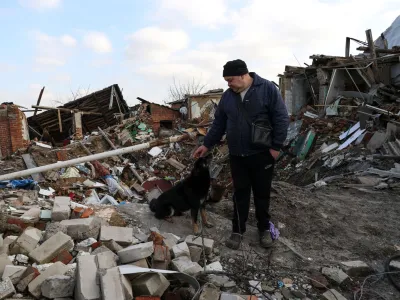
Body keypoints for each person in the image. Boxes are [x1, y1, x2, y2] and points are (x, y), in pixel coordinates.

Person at [193, 59, 289, 249]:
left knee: (262, 194)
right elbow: (219, 123)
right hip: (237, 155)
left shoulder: (267, 89)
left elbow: (281, 118)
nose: (228, 84)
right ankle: (237, 231)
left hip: (262, 153)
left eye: (230, 79)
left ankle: (263, 230)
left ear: (243, 75)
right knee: (240, 194)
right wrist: (207, 144)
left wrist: (276, 147)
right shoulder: (228, 97)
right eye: (226, 80)